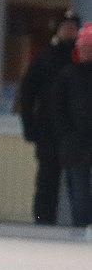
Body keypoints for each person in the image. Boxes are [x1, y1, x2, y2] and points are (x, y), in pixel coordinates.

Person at [18, 10, 80, 224]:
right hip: (48, 130)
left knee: (79, 183)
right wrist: (28, 124)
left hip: (78, 133)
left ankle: (82, 224)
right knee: (46, 181)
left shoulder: (83, 62)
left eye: (73, 28)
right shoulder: (45, 57)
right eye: (65, 27)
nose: (68, 31)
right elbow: (27, 92)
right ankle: (42, 224)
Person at [48, 23, 92, 227]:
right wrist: (65, 131)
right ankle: (80, 228)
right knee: (78, 189)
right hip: (74, 142)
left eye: (89, 49)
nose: (86, 53)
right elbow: (56, 106)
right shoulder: (67, 75)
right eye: (83, 48)